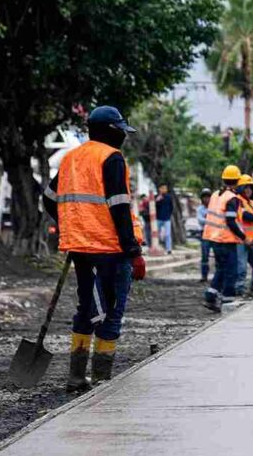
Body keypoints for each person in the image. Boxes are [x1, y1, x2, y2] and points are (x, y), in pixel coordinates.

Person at [42, 106, 146, 391]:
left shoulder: (70, 158)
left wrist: (72, 224)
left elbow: (49, 199)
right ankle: (101, 379)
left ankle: (76, 377)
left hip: (80, 246)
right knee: (111, 310)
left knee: (87, 305)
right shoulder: (111, 158)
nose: (124, 136)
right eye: (121, 130)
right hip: (110, 247)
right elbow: (119, 207)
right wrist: (134, 251)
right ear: (112, 131)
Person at [201, 166, 248, 312]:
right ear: (237, 182)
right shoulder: (231, 198)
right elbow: (231, 222)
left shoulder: (216, 194)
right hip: (225, 239)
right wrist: (244, 237)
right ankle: (228, 300)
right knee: (231, 271)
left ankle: (210, 296)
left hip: (213, 238)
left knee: (221, 269)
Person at [197, 188, 212, 283]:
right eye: (204, 197)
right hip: (204, 233)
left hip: (214, 233)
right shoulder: (200, 209)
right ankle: (204, 276)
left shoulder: (214, 207)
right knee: (205, 256)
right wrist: (210, 220)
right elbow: (200, 220)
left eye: (208, 197)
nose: (206, 199)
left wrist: (207, 219)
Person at [155, 184, 174, 255]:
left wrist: (169, 215)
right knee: (156, 235)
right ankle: (157, 247)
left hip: (167, 219)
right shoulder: (157, 197)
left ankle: (169, 249)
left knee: (167, 234)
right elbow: (154, 208)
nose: (164, 189)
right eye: (162, 188)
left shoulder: (169, 197)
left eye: (165, 188)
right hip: (158, 219)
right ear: (159, 189)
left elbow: (171, 207)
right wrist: (157, 200)